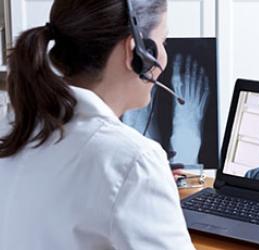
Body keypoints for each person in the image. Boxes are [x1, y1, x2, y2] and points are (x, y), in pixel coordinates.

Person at [0, 0, 194, 249]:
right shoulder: (133, 162)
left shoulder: (12, 128)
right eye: (163, 42)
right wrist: (145, 182)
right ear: (136, 52)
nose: (164, 57)